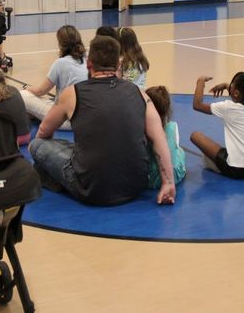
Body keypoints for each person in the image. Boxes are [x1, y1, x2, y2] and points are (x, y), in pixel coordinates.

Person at [29, 35, 176, 206]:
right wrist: (168, 183)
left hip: (91, 190)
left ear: (89, 64)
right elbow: (160, 139)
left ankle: (51, 177)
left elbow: (43, 132)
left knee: (37, 145)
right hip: (135, 186)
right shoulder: (140, 94)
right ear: (119, 65)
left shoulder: (72, 93)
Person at [191, 72, 244, 179]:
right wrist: (225, 85)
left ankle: (216, 165)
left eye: (232, 85)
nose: (230, 86)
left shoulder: (227, 107)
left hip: (237, 170)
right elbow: (240, 94)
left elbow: (197, 105)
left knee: (196, 136)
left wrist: (200, 81)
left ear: (236, 93)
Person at [20, 24, 88, 130]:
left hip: (65, 120)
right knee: (42, 101)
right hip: (84, 117)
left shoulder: (60, 63)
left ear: (61, 44)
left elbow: (40, 91)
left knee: (22, 95)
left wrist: (26, 88)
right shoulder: (87, 58)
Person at [145, 86, 186, 188]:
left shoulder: (139, 126)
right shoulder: (172, 126)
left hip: (144, 178)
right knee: (180, 151)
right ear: (167, 109)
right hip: (171, 177)